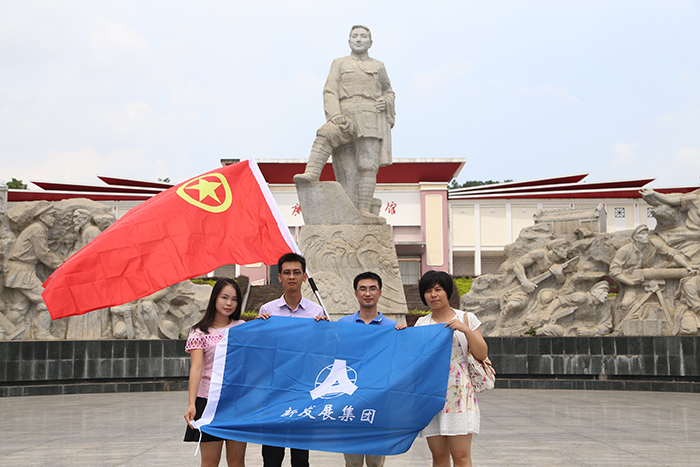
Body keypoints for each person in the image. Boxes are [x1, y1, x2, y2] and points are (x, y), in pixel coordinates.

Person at [294, 25, 395, 217]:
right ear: (349, 41)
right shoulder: (339, 63)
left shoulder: (378, 66)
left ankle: (363, 209)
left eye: (363, 36)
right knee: (326, 134)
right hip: (345, 114)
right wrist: (334, 114)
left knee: (367, 164)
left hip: (370, 116)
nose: (359, 39)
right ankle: (312, 173)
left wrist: (385, 100)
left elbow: (389, 91)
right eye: (355, 36)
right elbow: (330, 90)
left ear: (370, 42)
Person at [257, 252, 327, 467]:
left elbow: (322, 351)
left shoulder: (316, 312)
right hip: (274, 390)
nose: (291, 277)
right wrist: (258, 328)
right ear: (279, 277)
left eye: (297, 272)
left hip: (303, 389)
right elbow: (259, 350)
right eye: (286, 272)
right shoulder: (267, 311)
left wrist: (325, 330)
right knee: (272, 455)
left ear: (304, 277)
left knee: (300, 456)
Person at [414, 270, 488, 467]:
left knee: (461, 456)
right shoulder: (422, 323)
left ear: (447, 291)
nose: (433, 295)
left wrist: (465, 330)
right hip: (431, 394)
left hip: (459, 393)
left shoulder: (466, 318)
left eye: (438, 289)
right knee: (439, 457)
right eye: (428, 291)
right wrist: (403, 335)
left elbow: (481, 353)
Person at [337, 271, 406, 467]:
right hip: (350, 398)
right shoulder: (343, 324)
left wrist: (405, 337)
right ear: (356, 293)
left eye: (372, 289)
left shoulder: (393, 328)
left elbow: (400, 362)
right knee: (352, 461)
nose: (368, 293)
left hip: (379, 400)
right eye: (363, 289)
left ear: (380, 293)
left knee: (376, 462)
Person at [184, 278, 247, 467]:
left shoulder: (242, 327)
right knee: (210, 462)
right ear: (214, 298)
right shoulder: (199, 332)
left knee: (237, 462)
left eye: (234, 299)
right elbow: (196, 368)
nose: (229, 303)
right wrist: (192, 403)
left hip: (235, 402)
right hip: (208, 402)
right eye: (224, 297)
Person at [4, 202, 63, 339]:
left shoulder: (36, 228)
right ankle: (43, 334)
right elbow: (43, 253)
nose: (53, 219)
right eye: (51, 216)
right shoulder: (37, 229)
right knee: (47, 300)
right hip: (23, 271)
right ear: (42, 217)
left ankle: (7, 333)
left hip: (20, 270)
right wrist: (61, 264)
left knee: (19, 307)